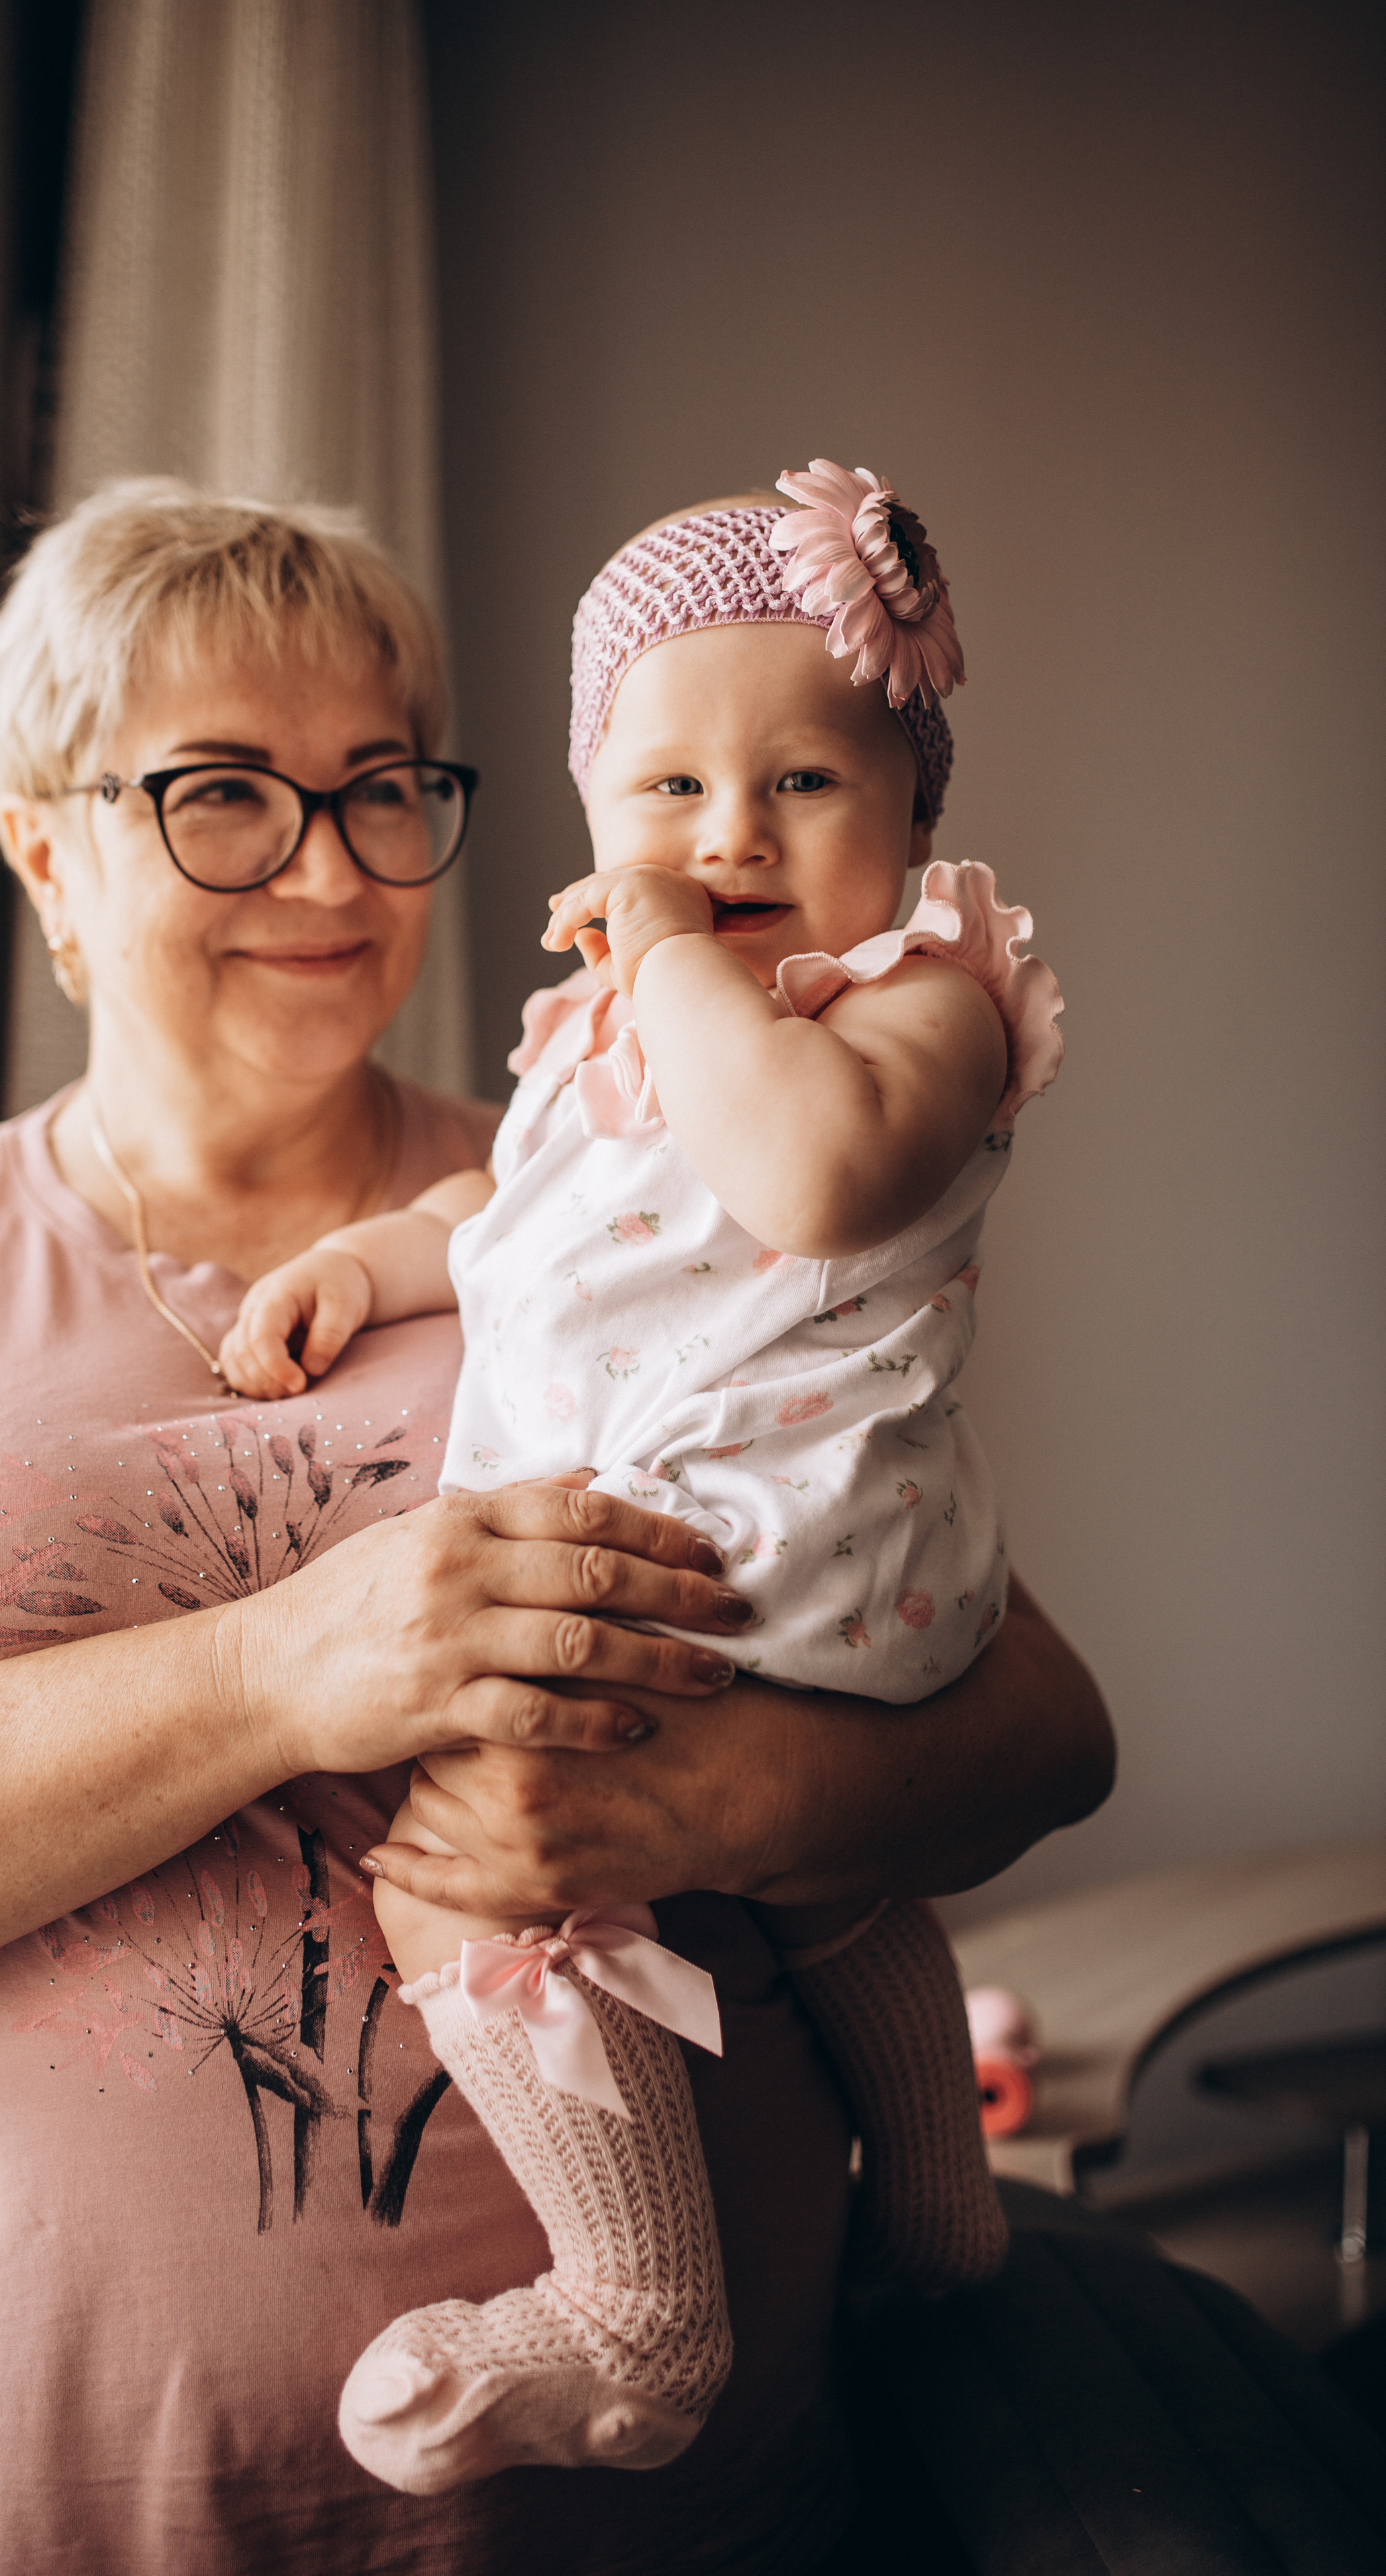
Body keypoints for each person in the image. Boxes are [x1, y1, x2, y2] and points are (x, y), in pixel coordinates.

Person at [0, 478, 1112, 2576]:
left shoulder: (626, 1163)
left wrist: (703, 1819)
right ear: (45, 850)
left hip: (678, 2518)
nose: (330, 868)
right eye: (225, 794)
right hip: (85, 2500)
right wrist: (273, 1671)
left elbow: (1039, 1730)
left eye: (380, 788)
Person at [219, 462, 1065, 2494]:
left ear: (920, 823)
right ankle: (945, 2213)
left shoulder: (927, 1003)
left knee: (461, 1869)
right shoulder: (626, 1028)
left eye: (804, 784)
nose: (730, 835)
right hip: (767, 1574)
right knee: (830, 1891)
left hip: (754, 1559)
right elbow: (526, 1208)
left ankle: (638, 2312)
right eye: (668, 792)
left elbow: (806, 1170)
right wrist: (365, 1258)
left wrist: (675, 952)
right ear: (594, 812)